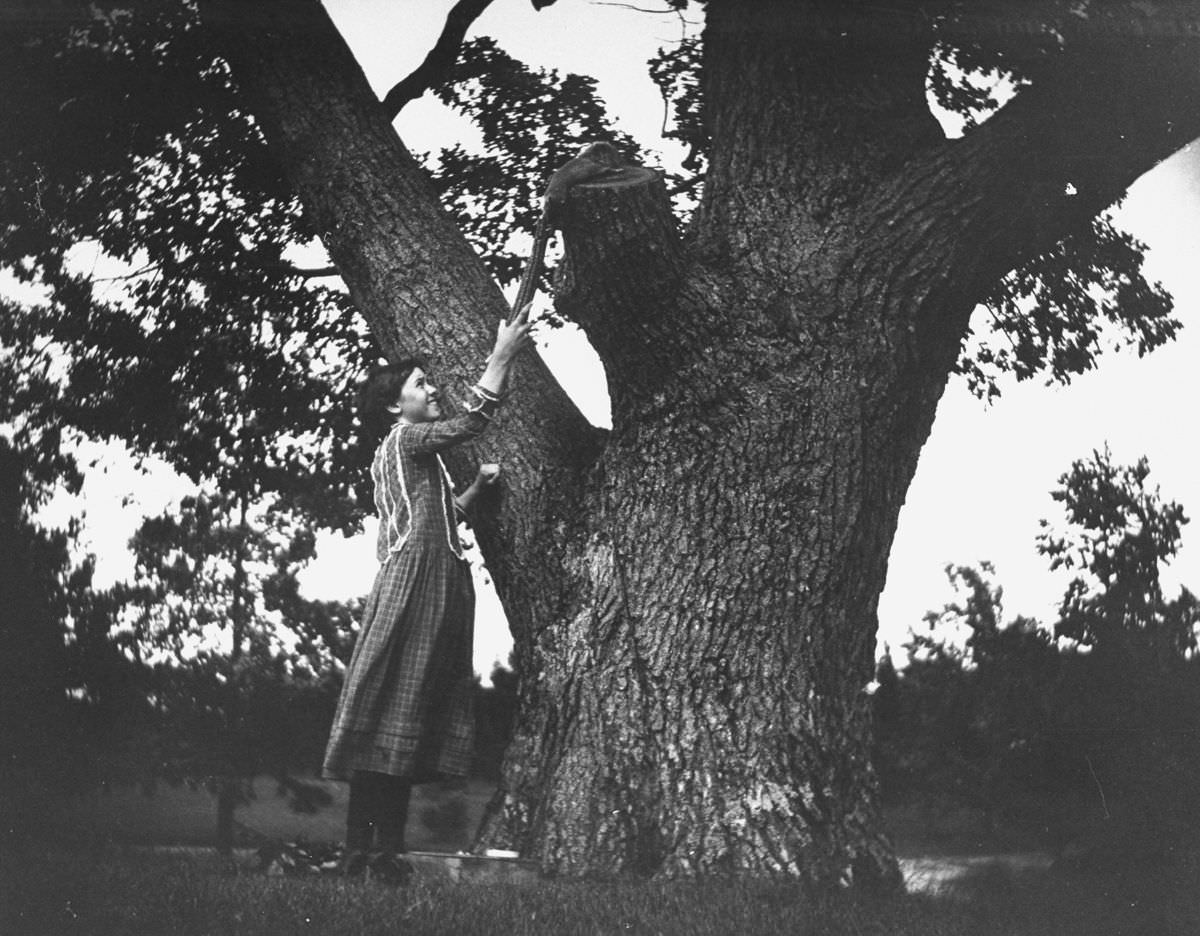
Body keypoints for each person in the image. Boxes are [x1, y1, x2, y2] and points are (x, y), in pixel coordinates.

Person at [322, 305, 533, 876]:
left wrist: (473, 490)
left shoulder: (401, 456)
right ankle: (368, 852)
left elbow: (437, 516)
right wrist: (501, 356)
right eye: (420, 384)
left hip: (430, 579)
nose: (432, 388)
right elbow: (469, 424)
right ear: (396, 407)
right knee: (397, 709)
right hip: (418, 583)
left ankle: (372, 854)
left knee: (402, 717)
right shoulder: (406, 439)